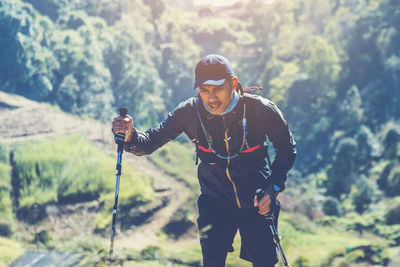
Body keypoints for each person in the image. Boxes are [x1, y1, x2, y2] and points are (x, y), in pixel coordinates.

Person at [112, 54, 297, 267]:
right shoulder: (189, 112)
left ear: (233, 84)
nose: (211, 97)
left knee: (265, 263)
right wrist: (129, 136)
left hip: (257, 201)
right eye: (204, 90)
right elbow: (149, 142)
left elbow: (287, 149)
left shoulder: (260, 110)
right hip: (215, 203)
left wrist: (272, 190)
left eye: (217, 88)